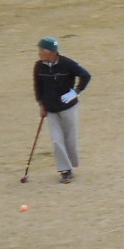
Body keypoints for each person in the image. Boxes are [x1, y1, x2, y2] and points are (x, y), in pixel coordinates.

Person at [33, 38, 91, 184]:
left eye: (42, 50)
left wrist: (76, 91)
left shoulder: (67, 64)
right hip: (51, 109)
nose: (39, 53)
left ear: (51, 52)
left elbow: (85, 75)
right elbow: (38, 87)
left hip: (68, 107)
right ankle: (65, 170)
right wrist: (41, 105)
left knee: (70, 138)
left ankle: (71, 165)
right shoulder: (39, 67)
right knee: (57, 140)